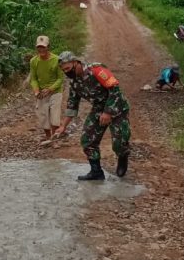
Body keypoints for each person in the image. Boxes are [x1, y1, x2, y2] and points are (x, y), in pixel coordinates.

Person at [54, 51, 131, 181]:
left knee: (119, 142)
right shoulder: (74, 82)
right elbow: (72, 104)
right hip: (98, 108)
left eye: (67, 68)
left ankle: (122, 157)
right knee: (87, 139)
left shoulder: (96, 70)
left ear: (75, 62)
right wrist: (63, 126)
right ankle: (96, 172)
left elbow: (115, 89)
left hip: (117, 106)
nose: (66, 72)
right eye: (63, 70)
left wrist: (108, 112)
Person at [29, 35, 64, 140]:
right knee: (43, 115)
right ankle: (48, 136)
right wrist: (36, 91)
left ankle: (54, 137)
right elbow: (33, 79)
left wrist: (50, 89)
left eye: (43, 47)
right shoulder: (33, 61)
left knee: (55, 116)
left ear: (48, 47)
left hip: (55, 91)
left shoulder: (57, 60)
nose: (41, 49)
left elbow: (60, 79)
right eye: (39, 47)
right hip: (42, 92)